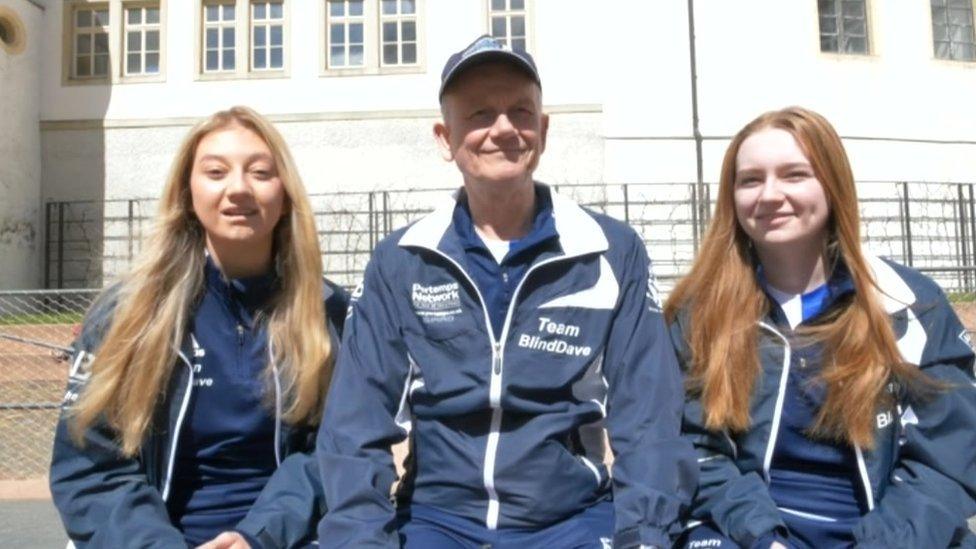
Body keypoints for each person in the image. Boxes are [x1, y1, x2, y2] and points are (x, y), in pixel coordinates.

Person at [315, 35, 696, 549]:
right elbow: (354, 425)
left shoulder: (610, 251)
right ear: (444, 138)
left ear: (542, 129)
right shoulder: (401, 261)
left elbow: (648, 416)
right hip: (435, 521)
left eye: (520, 111)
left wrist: (644, 537)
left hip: (572, 522)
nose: (503, 129)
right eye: (479, 114)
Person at [665, 106, 976, 548]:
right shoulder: (698, 313)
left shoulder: (909, 305)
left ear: (832, 185)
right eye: (751, 180)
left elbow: (948, 458)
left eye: (795, 175)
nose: (770, 195)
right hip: (744, 532)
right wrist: (765, 539)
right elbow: (696, 450)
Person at [49, 106, 348, 548]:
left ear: (285, 195)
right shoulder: (125, 314)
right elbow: (90, 467)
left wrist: (257, 538)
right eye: (215, 172)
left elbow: (335, 452)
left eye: (261, 172)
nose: (239, 188)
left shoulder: (329, 311)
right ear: (188, 193)